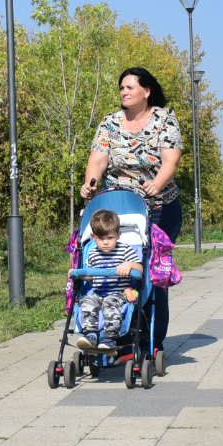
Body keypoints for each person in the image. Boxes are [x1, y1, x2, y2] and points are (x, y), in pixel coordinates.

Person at [81, 67, 183, 355]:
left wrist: (157, 184)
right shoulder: (110, 123)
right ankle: (118, 332)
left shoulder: (164, 119)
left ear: (146, 91)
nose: (124, 92)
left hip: (159, 207)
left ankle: (152, 341)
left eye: (129, 87)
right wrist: (89, 184)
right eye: (121, 88)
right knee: (114, 266)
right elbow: (98, 160)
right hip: (120, 209)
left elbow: (170, 161)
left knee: (151, 273)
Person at [73, 208, 141, 352]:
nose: (105, 242)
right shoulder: (93, 253)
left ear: (118, 235)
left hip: (118, 293)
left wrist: (130, 265)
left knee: (110, 303)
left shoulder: (125, 250)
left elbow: (140, 269)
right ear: (93, 237)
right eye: (101, 238)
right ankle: (90, 335)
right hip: (98, 292)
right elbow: (90, 276)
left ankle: (109, 338)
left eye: (109, 238)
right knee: (87, 302)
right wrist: (78, 274)